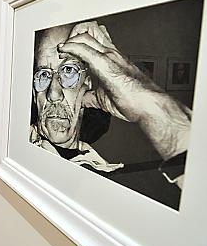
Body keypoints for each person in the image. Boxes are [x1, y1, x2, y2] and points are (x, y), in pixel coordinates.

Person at [30, 21, 191, 190]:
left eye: (68, 70)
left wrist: (146, 107)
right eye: (43, 75)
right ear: (35, 94)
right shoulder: (10, 146)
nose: (53, 93)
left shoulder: (104, 180)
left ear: (87, 84)